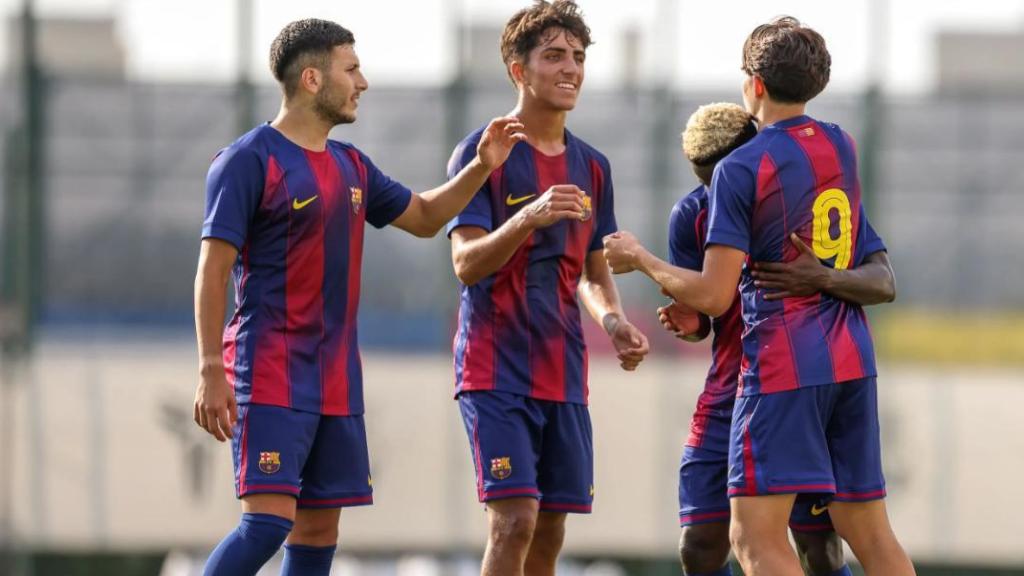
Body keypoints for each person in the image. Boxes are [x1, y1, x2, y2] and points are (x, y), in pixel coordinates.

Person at [194, 18, 525, 576]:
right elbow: (213, 267)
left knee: (320, 530)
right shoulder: (249, 160)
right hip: (269, 370)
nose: (363, 82)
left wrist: (481, 167)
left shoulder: (352, 166)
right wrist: (208, 367)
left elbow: (423, 217)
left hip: (337, 379)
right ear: (313, 79)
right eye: (352, 69)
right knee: (268, 524)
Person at [603, 17, 915, 576]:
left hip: (781, 366)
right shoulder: (840, 144)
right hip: (851, 360)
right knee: (871, 533)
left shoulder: (741, 167)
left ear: (755, 85)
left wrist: (641, 260)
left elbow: (717, 297)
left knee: (753, 539)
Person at [446, 2, 649, 575]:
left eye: (579, 57)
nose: (571, 69)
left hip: (563, 369)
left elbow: (591, 269)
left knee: (551, 529)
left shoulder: (594, 168)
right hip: (494, 367)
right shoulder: (482, 152)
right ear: (519, 70)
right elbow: (465, 264)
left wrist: (612, 320)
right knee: (514, 522)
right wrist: (527, 217)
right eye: (554, 55)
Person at [663, 102, 896, 576]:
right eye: (705, 178)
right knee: (699, 544)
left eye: (720, 172)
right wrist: (691, 325)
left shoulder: (802, 200)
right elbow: (706, 310)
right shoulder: (690, 215)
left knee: (817, 548)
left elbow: (882, 281)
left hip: (787, 380)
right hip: (731, 389)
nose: (716, 186)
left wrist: (824, 278)